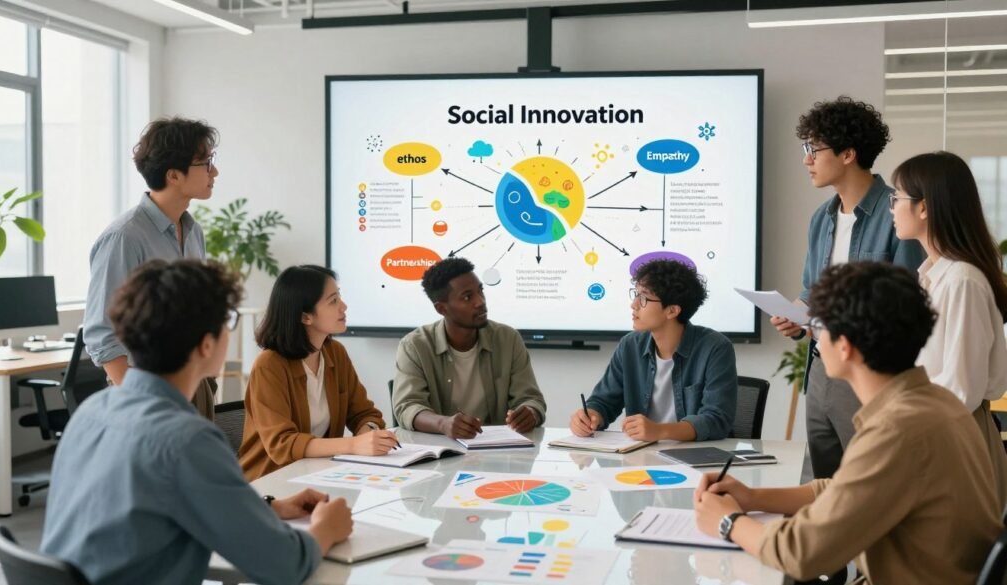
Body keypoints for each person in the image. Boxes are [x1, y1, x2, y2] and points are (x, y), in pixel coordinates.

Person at [42, 259, 353, 585]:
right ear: (207, 344)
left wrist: (270, 508)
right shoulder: (186, 439)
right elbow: (284, 565)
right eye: (226, 323)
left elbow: (153, 506)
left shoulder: (91, 412)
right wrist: (325, 530)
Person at [694, 262, 1000, 584]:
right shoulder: (934, 402)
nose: (813, 336)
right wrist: (753, 498)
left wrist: (727, 521)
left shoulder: (897, 431)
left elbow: (801, 553)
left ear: (844, 346)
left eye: (817, 326)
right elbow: (846, 490)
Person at [771, 97, 925, 480]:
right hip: (821, 367)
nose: (806, 159)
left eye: (814, 149)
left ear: (848, 154)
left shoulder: (896, 215)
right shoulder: (821, 218)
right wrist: (797, 313)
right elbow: (812, 289)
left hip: (870, 374)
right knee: (823, 484)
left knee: (870, 484)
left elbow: (908, 305)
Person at [83, 116, 223, 419]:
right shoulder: (125, 237)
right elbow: (101, 333)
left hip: (192, 383)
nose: (215, 171)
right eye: (206, 163)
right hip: (144, 392)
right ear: (174, 175)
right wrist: (141, 402)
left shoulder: (192, 231)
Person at [890, 151, 1007, 507]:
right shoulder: (933, 276)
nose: (892, 208)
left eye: (897, 199)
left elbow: (961, 390)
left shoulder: (961, 282)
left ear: (924, 208)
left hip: (954, 437)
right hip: (937, 432)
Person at [240, 265, 396, 481]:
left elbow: (364, 414)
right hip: (271, 482)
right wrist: (352, 445)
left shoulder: (336, 354)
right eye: (333, 301)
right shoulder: (269, 365)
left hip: (321, 474)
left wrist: (367, 433)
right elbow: (282, 445)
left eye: (339, 297)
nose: (343, 306)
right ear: (306, 317)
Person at [569, 259, 737, 441]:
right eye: (635, 294)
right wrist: (590, 416)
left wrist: (659, 431)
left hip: (695, 459)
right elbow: (603, 402)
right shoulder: (629, 346)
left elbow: (716, 420)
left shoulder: (715, 348)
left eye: (643, 298)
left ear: (672, 311)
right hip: (640, 456)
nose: (633, 305)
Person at [392, 257, 546, 439]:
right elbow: (408, 407)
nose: (480, 301)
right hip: (439, 451)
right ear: (442, 309)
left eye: (480, 291)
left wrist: (530, 413)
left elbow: (531, 399)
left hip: (498, 452)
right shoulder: (415, 346)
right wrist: (443, 424)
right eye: (467, 297)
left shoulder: (508, 338)